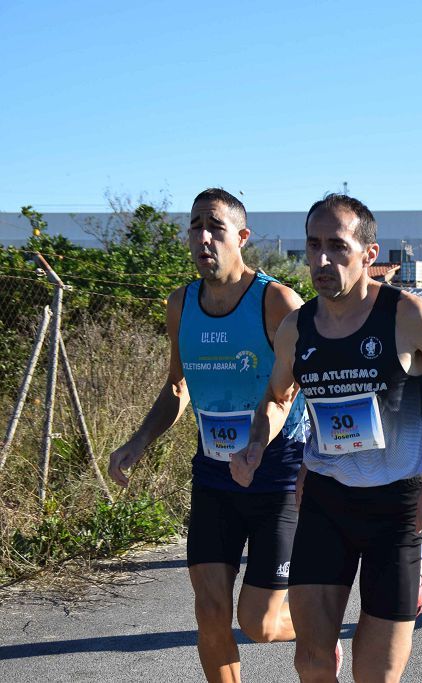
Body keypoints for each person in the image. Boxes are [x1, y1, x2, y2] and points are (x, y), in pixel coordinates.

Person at [229, 194, 422, 682]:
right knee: (311, 660)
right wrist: (254, 445)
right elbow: (276, 397)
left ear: (369, 254)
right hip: (325, 501)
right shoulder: (296, 327)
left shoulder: (405, 315)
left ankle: (419, 574)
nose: (322, 260)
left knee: (374, 675)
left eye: (337, 246)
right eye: (313, 246)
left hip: (397, 510)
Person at [107, 189, 308, 682]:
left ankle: (317, 626)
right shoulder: (181, 304)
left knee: (258, 624)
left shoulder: (275, 300)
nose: (203, 238)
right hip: (215, 478)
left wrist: (276, 453)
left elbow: (300, 390)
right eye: (195, 226)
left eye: (215, 227)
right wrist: (137, 443)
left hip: (278, 477)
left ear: (241, 237)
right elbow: (177, 387)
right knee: (210, 612)